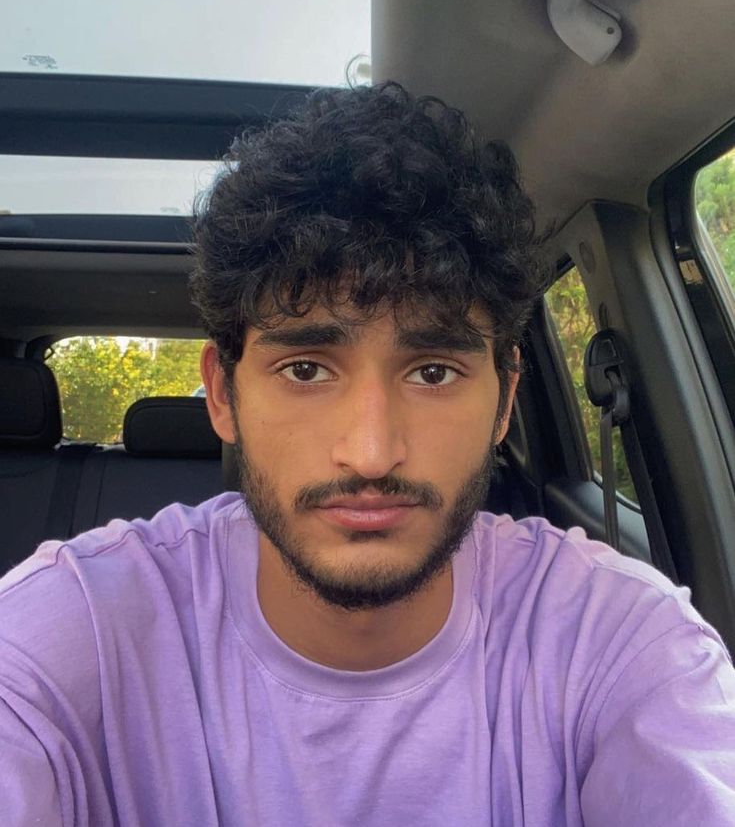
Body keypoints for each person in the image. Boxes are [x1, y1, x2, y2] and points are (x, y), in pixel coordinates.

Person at [1, 83, 734, 827]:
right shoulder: (67, 633)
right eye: (306, 369)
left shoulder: (619, 639)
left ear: (504, 399)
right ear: (222, 395)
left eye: (433, 372)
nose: (372, 453)